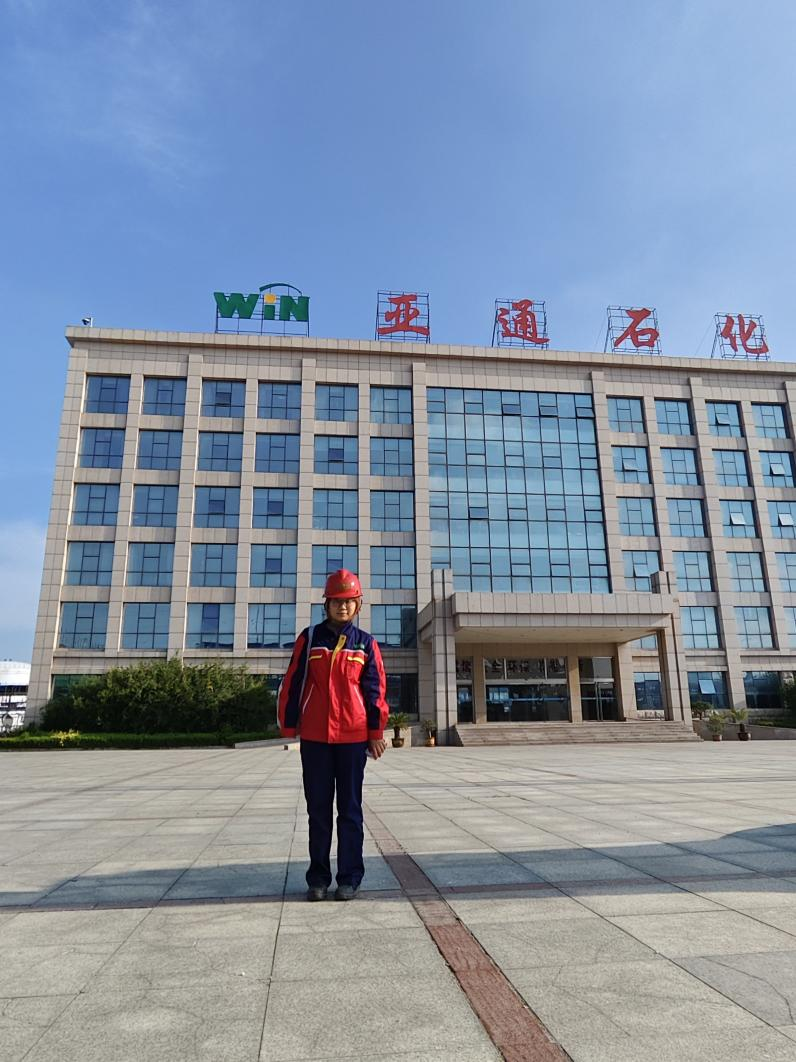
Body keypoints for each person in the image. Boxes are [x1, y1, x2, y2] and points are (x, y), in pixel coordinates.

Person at [278, 569, 389, 901]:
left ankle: (349, 878)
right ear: (326, 604)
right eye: (337, 601)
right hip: (315, 739)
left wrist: (375, 731)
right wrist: (289, 725)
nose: (343, 607)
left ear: (358, 605)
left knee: (350, 810)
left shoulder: (366, 643)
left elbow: (376, 691)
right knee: (318, 811)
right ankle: (318, 878)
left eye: (349, 601)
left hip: (353, 738)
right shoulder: (310, 638)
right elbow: (293, 681)